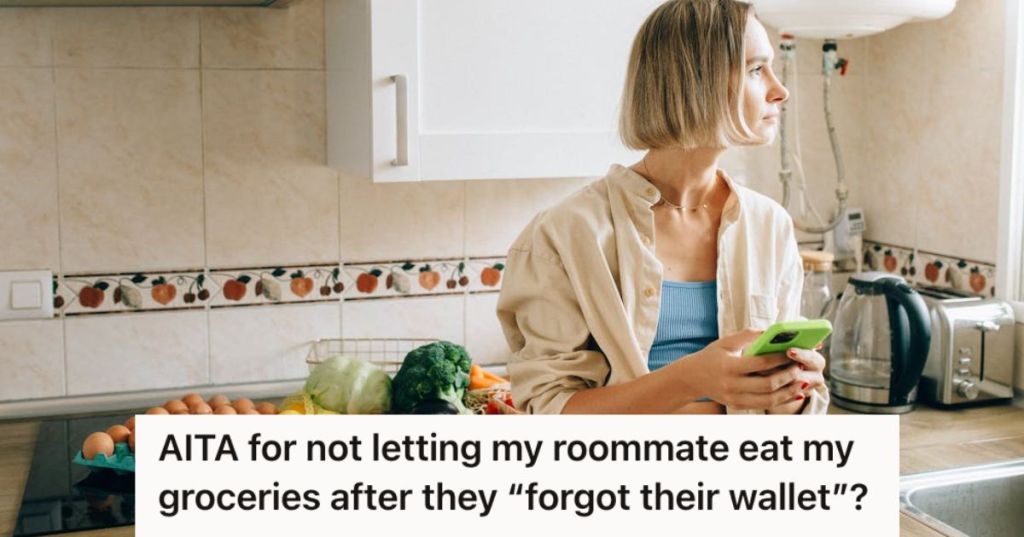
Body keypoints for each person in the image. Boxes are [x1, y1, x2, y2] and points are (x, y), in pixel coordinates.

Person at [496, 0, 829, 415]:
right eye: (756, 70)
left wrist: (796, 392)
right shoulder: (564, 234)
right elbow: (547, 411)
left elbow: (784, 409)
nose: (781, 90)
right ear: (696, 81)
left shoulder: (770, 226)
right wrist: (689, 379)